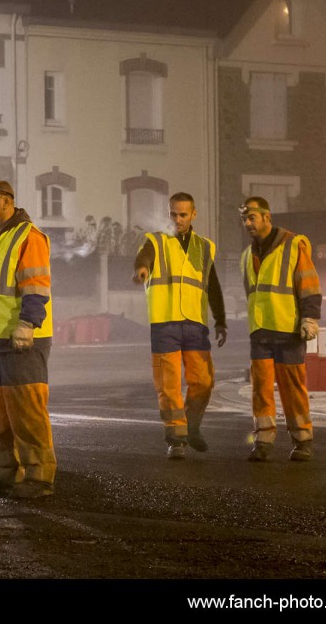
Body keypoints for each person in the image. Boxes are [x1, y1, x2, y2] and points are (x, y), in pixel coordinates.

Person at [0, 180, 56, 500]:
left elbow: (36, 284)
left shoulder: (28, 237)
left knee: (27, 411)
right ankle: (7, 472)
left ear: (7, 202)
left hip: (22, 339)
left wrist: (28, 323)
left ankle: (40, 476)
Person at [132, 192, 227, 460]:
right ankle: (176, 438)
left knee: (204, 382)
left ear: (193, 215)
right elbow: (144, 258)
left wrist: (220, 320)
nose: (177, 219)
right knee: (168, 385)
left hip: (195, 325)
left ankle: (191, 425)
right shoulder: (157, 241)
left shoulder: (205, 247)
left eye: (183, 214)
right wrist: (141, 270)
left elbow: (214, 285)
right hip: (164, 324)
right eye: (173, 214)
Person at [239, 197, 321, 462]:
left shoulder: (293, 245)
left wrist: (309, 318)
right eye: (244, 219)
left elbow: (308, 284)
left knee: (292, 387)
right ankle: (263, 440)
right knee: (260, 388)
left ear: (266, 217)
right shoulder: (246, 255)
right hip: (260, 330)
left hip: (288, 329)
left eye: (252, 217)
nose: (248, 223)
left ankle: (302, 440)